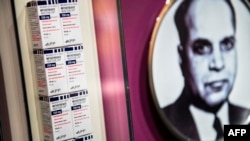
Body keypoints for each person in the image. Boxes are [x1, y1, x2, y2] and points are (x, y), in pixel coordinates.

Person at [163, 0, 250, 140]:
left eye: (227, 44)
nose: (218, 63)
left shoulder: (246, 118)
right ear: (181, 56)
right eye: (202, 48)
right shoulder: (167, 122)